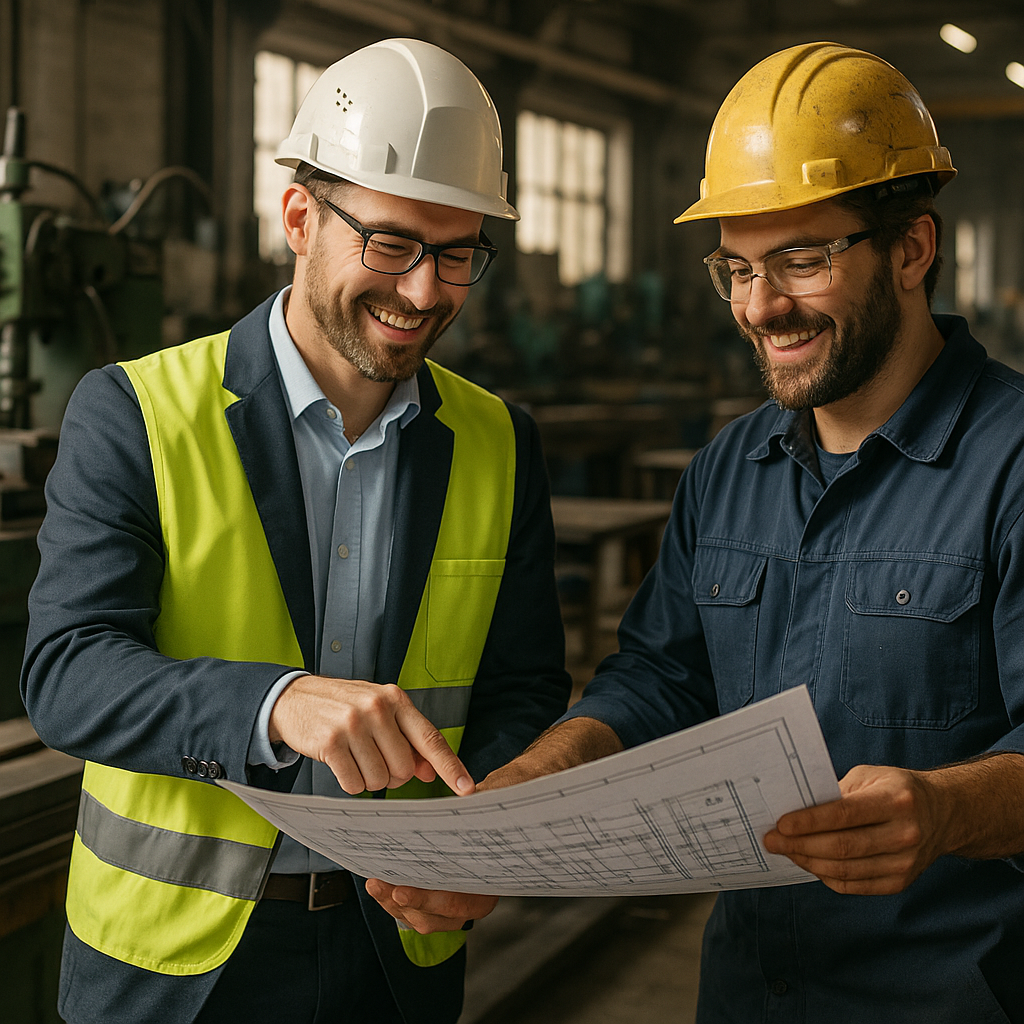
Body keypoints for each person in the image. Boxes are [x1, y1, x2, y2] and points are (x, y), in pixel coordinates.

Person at [368, 42, 1024, 1022]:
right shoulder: (730, 470)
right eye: (737, 268)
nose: (760, 307)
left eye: (800, 259)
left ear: (910, 250)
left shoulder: (1011, 465)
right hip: (750, 992)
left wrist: (943, 810)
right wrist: (527, 791)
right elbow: (662, 679)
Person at [20, 37, 570, 1024]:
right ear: (299, 218)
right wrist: (275, 705)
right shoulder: (136, 413)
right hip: (172, 968)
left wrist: (484, 835)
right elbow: (67, 673)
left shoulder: (500, 441)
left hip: (394, 953)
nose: (424, 292)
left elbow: (522, 686)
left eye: (457, 254)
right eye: (392, 244)